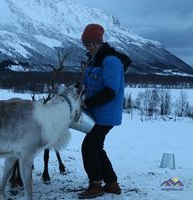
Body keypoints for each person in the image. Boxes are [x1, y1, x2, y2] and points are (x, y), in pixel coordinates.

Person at [77, 23, 131, 199]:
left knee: (89, 146)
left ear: (99, 42)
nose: (88, 47)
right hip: (97, 113)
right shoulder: (95, 61)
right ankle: (112, 184)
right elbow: (87, 84)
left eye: (90, 43)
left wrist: (88, 102)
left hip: (106, 114)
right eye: (85, 44)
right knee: (96, 147)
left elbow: (110, 90)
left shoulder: (111, 61)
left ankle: (96, 185)